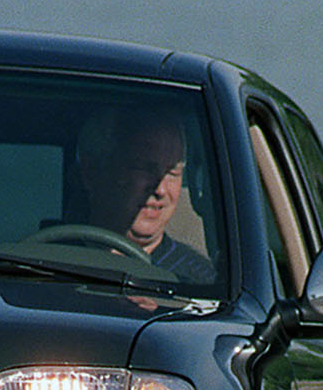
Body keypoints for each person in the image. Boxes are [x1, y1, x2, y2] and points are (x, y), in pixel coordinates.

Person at [73, 107, 218, 283]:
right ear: (91, 173)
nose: (160, 190)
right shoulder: (44, 265)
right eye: (144, 168)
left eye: (172, 173)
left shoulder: (201, 284)